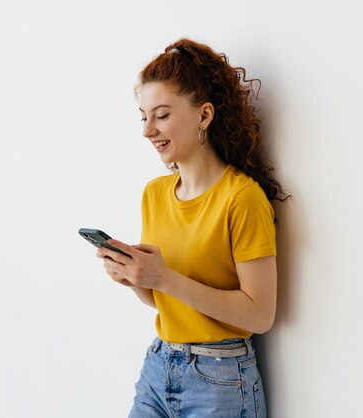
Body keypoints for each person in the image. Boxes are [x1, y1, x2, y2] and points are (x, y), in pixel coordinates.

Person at [96, 38, 287, 418]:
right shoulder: (155, 194)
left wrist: (163, 278)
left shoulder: (241, 199)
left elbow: (260, 314)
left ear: (204, 116)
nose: (148, 130)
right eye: (144, 117)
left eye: (162, 115)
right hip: (159, 364)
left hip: (220, 380)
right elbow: (171, 302)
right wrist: (137, 279)